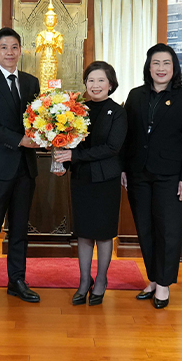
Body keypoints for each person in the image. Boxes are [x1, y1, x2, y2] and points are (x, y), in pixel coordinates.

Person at [121, 43, 182, 309]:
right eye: (156, 63)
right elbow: (128, 136)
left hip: (172, 176)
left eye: (166, 63)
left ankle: (164, 284)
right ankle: (154, 279)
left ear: (174, 67)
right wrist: (124, 168)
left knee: (169, 229)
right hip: (138, 173)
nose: (161, 68)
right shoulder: (136, 95)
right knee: (145, 228)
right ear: (149, 67)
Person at [0, 27, 41, 308]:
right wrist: (20, 140)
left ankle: (17, 280)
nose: (10, 52)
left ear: (20, 50)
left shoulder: (31, 82)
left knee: (19, 229)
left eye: (14, 47)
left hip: (26, 168)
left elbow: (38, 119)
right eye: (4, 47)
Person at [54, 61, 126, 306]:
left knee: (104, 235)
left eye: (101, 80)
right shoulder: (76, 111)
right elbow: (68, 143)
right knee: (83, 234)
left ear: (111, 84)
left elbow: (112, 148)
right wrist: (63, 164)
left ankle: (102, 280)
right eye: (91, 80)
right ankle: (84, 281)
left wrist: (74, 156)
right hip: (81, 178)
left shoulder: (118, 112)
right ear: (85, 84)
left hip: (106, 180)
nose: (95, 85)